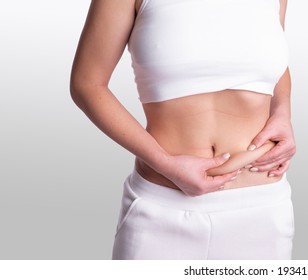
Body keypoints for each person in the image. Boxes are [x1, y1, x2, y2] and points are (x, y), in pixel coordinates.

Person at [70, 0, 296, 260]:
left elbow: (271, 56)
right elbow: (87, 84)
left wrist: (282, 112)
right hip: (162, 209)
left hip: (262, 208)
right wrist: (164, 163)